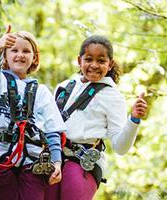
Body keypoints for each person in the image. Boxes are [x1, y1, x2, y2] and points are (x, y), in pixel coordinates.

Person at [49, 35, 148, 199]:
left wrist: (134, 119)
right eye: (89, 59)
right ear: (79, 60)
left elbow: (120, 147)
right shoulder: (64, 87)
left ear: (110, 64)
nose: (94, 65)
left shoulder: (112, 96)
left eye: (101, 61)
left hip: (83, 163)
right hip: (55, 158)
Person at [0, 29, 67, 200]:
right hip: (0, 159)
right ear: (5, 56)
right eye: (14, 50)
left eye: (26, 51)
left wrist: (57, 162)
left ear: (34, 57)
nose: (20, 55)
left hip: (32, 163)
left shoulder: (42, 92)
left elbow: (52, 130)